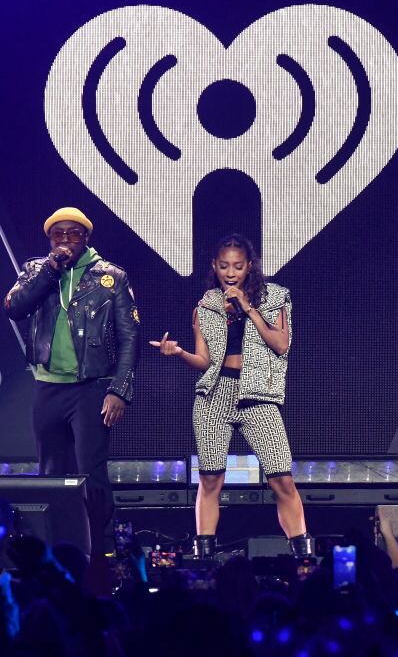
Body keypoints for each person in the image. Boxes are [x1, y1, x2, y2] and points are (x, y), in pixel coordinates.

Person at [150, 234, 311, 557]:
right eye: (224, 266)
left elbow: (281, 344)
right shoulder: (206, 306)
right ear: (214, 266)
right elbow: (204, 362)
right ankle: (204, 555)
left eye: (238, 266)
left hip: (258, 396)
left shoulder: (275, 298)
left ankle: (302, 555)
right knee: (210, 479)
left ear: (250, 266)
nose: (231, 273)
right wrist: (178, 351)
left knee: (281, 478)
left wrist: (248, 308)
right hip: (215, 395)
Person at [4, 207, 139, 549]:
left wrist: (119, 390)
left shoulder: (111, 277)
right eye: (57, 234)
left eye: (73, 233)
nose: (65, 240)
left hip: (92, 386)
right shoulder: (37, 270)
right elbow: (14, 308)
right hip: (48, 385)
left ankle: (101, 545)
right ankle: (56, 544)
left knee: (91, 470)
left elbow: (130, 337)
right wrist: (50, 271)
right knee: (50, 470)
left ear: (86, 238)